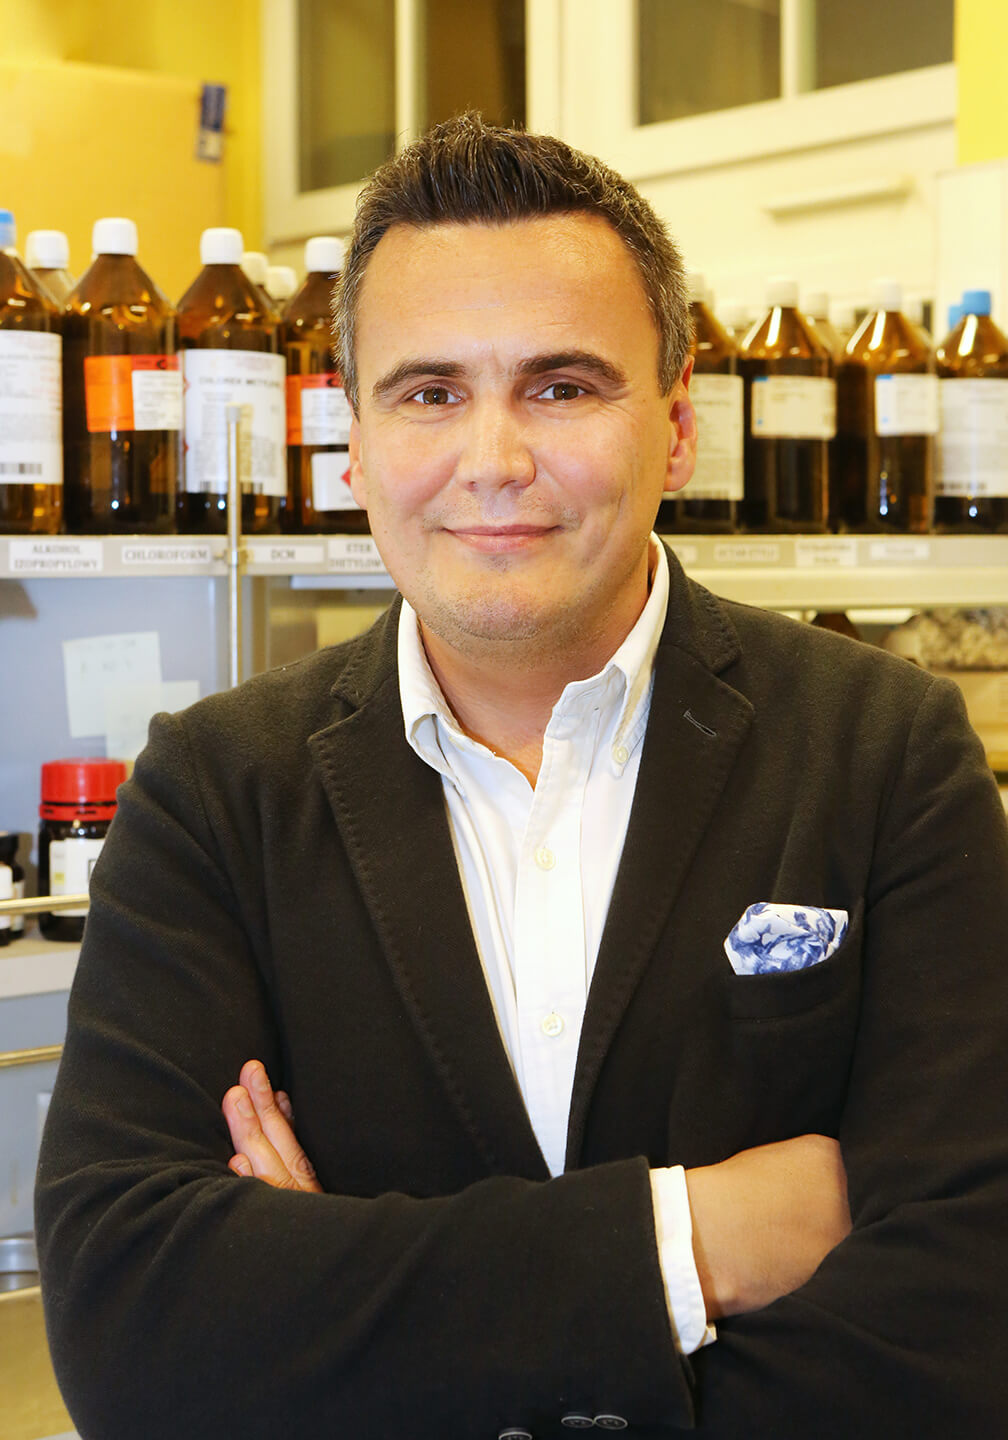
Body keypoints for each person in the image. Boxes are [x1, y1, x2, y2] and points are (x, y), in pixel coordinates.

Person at [35, 114, 1008, 1439]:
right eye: (429, 393)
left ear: (676, 429)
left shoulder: (885, 752)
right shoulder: (214, 796)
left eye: (561, 387)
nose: (492, 461)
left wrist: (340, 1310)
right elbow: (133, 1334)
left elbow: (962, 1321)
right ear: (355, 443)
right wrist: (694, 1239)